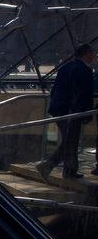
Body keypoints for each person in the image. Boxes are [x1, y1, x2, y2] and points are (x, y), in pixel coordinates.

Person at [37, 44, 95, 179]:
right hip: (71, 111)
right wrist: (84, 112)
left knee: (69, 141)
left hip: (59, 109)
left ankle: (63, 168)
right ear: (86, 54)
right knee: (71, 141)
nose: (95, 56)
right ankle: (59, 167)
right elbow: (82, 94)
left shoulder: (66, 67)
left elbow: (56, 89)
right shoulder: (83, 70)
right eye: (93, 53)